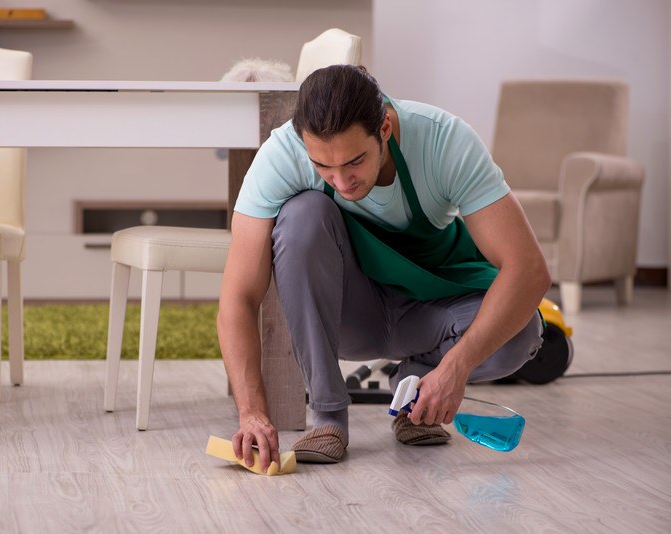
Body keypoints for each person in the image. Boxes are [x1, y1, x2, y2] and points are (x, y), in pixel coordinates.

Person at [217, 65, 550, 471]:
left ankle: (414, 394)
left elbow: (528, 269)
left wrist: (454, 370)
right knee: (302, 214)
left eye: (354, 161)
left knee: (523, 332)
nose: (340, 181)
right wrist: (250, 411)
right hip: (351, 315)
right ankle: (328, 416)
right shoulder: (281, 155)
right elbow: (238, 297)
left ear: (386, 127)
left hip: (432, 310)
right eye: (322, 166)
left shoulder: (444, 141)